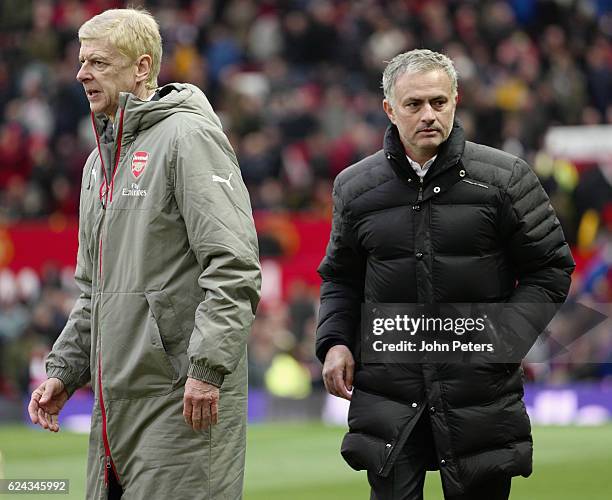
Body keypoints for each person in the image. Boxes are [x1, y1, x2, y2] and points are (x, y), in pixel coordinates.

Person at [316, 49, 574, 500]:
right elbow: (341, 278)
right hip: (389, 393)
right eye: (414, 105)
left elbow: (550, 268)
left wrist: (499, 342)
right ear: (389, 110)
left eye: (439, 101)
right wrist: (335, 341)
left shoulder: (506, 179)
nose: (429, 115)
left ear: (456, 100)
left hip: (478, 394)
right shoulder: (355, 188)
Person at [27, 8, 261, 500]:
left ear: (141, 67)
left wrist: (207, 369)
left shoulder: (188, 138)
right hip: (115, 409)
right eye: (81, 60)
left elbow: (234, 266)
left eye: (98, 62)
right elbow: (95, 291)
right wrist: (64, 371)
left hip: (182, 401)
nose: (81, 73)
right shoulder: (97, 163)